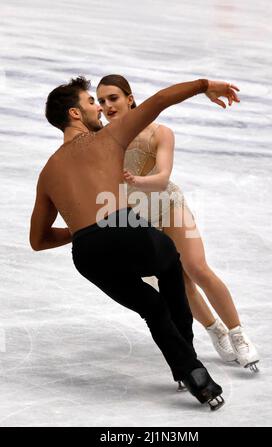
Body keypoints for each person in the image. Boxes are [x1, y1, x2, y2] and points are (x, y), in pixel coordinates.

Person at [29, 75, 239, 411]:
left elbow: (37, 240)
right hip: (125, 231)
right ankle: (190, 365)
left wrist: (81, 228)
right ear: (74, 114)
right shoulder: (108, 138)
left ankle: (191, 371)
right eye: (90, 103)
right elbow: (159, 101)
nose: (98, 109)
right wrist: (204, 85)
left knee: (152, 308)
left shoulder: (47, 172)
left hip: (87, 253)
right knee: (171, 262)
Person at [97, 75, 259, 372]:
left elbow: (162, 177)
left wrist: (138, 180)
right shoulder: (101, 141)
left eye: (114, 98)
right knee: (179, 283)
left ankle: (238, 333)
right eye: (102, 101)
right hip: (138, 217)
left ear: (130, 98)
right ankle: (215, 330)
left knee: (196, 268)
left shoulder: (159, 133)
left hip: (168, 205)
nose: (108, 105)